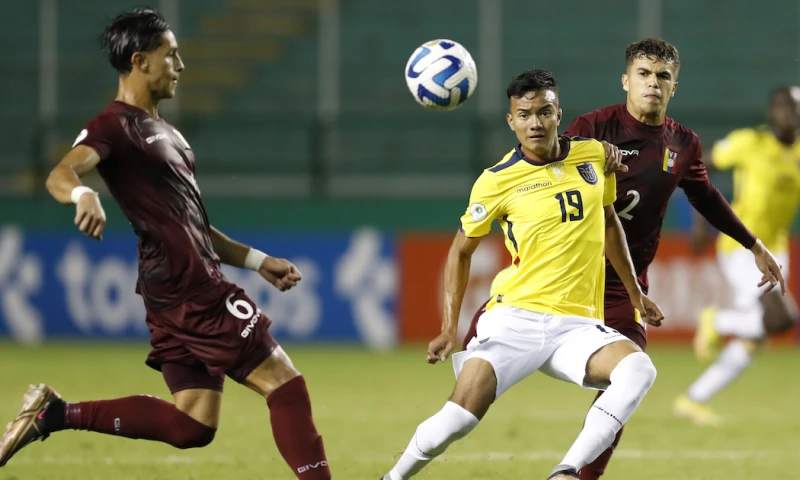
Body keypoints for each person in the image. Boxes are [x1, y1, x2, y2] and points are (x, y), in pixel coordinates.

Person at [0, 9, 331, 479]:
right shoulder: (113, 126)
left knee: (193, 423)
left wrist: (257, 261)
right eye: (171, 56)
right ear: (140, 61)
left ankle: (54, 413)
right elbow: (62, 171)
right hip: (190, 288)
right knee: (286, 385)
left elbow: (195, 225)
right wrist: (83, 192)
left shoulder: (171, 135)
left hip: (173, 288)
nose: (181, 66)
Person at [462, 38, 785, 480]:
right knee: (476, 359)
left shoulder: (682, 143)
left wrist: (754, 245)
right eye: (644, 75)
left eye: (662, 77)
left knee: (628, 379)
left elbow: (705, 196)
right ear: (626, 81)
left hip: (623, 285)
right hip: (565, 276)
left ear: (675, 86)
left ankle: (575, 474)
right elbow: (542, 166)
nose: (653, 83)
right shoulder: (592, 128)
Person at [381, 69, 665, 480]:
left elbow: (608, 224)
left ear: (558, 114)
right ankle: (393, 477)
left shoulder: (593, 156)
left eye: (544, 112)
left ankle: (566, 472)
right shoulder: (496, 181)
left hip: (577, 325)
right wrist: (448, 327)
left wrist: (636, 294)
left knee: (639, 369)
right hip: (515, 316)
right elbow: (461, 252)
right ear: (511, 121)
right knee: (458, 420)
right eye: (525, 114)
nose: (535, 122)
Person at [675, 86, 800, 425]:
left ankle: (693, 399)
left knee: (754, 339)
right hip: (742, 246)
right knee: (783, 320)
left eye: (795, 108)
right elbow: (699, 168)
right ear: (771, 112)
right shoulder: (749, 143)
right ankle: (715, 321)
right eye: (783, 107)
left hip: (777, 248)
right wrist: (702, 225)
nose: (789, 114)